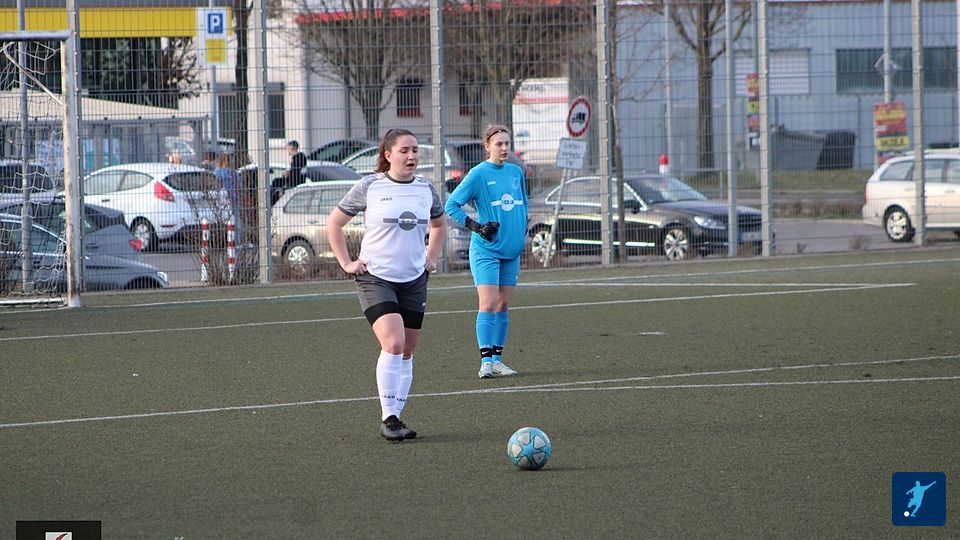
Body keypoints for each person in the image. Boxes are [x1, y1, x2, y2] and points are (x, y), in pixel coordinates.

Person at [326, 128, 447, 442]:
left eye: (415, 150)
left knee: (407, 349)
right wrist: (347, 263)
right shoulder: (371, 186)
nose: (411, 156)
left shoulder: (425, 189)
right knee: (393, 343)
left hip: (414, 280)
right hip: (376, 278)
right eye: (404, 150)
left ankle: (397, 417)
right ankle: (389, 417)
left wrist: (431, 257)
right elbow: (334, 223)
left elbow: (439, 224)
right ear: (388, 154)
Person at [444, 124, 528, 379]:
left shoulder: (516, 172)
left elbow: (523, 205)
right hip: (487, 251)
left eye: (507, 143)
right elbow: (451, 205)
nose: (504, 148)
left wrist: (520, 230)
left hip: (511, 253)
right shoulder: (478, 174)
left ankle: (498, 360)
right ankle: (486, 362)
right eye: (498, 144)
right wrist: (476, 227)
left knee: (503, 304)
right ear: (487, 147)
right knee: (489, 303)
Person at [213, 153, 244, 244]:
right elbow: (238, 186)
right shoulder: (233, 172)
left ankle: (222, 241)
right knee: (236, 219)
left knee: (221, 219)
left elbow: (214, 185)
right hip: (233, 198)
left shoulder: (216, 172)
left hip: (221, 199)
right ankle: (236, 241)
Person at [273, 140, 308, 205]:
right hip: (292, 181)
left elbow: (294, 174)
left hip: (294, 183)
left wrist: (284, 186)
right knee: (275, 182)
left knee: (274, 190)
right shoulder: (297, 158)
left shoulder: (298, 159)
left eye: (288, 149)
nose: (288, 151)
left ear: (292, 148)